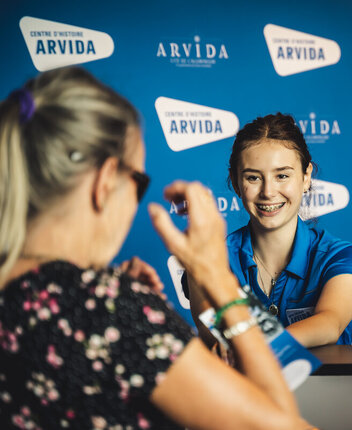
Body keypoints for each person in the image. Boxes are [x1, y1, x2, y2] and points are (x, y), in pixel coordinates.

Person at [0, 67, 310, 429]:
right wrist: (217, 278)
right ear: (105, 181)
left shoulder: (84, 303)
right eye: (139, 181)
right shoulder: (109, 309)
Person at [185, 113, 352, 348]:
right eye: (253, 177)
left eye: (282, 176)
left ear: (306, 177)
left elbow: (330, 324)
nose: (268, 192)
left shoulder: (339, 256)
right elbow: (211, 332)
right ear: (236, 182)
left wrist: (251, 345)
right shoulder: (210, 258)